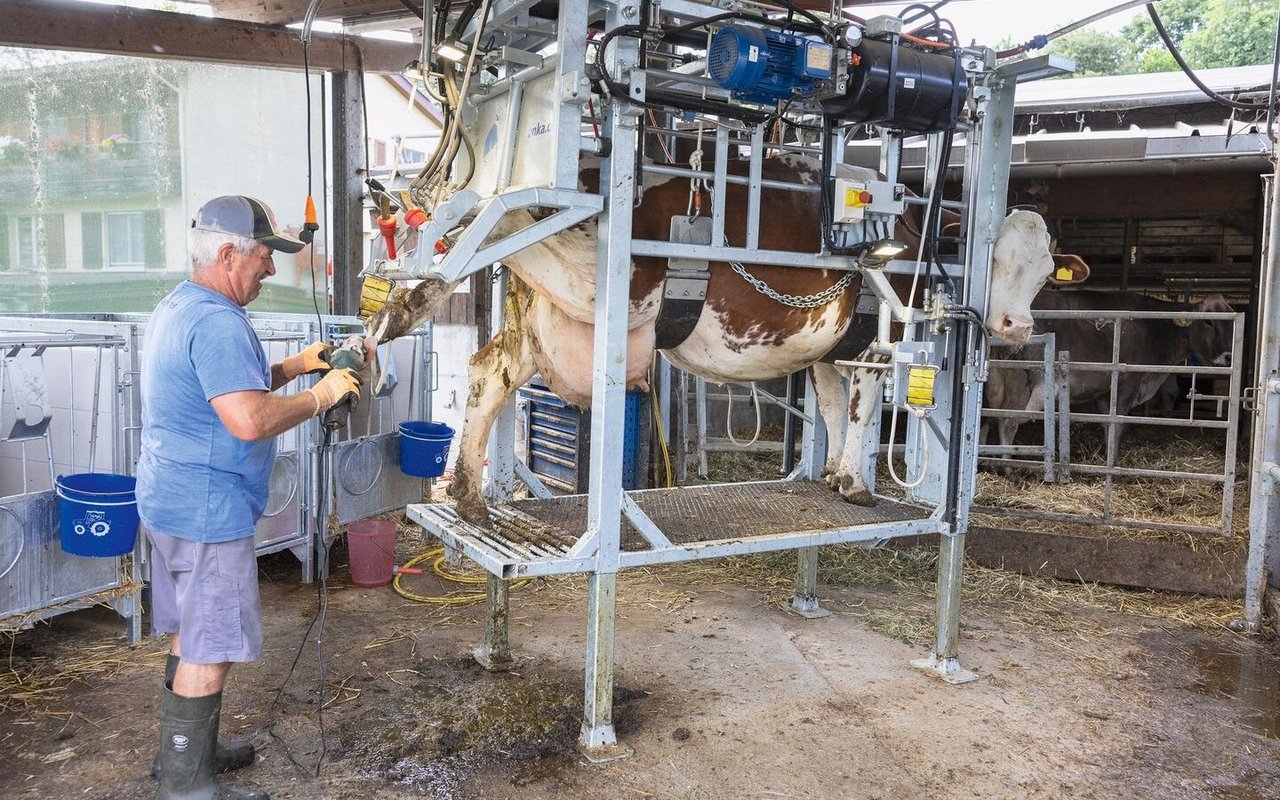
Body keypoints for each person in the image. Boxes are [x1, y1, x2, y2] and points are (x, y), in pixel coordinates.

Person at [137, 196, 361, 800]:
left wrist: (295, 366)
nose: (270, 268)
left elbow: (225, 388)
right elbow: (246, 417)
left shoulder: (181, 305)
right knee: (211, 644)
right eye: (264, 256)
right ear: (229, 253)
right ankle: (187, 787)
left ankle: (185, 754)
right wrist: (322, 396)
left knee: (192, 633)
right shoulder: (215, 322)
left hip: (171, 499)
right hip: (207, 510)